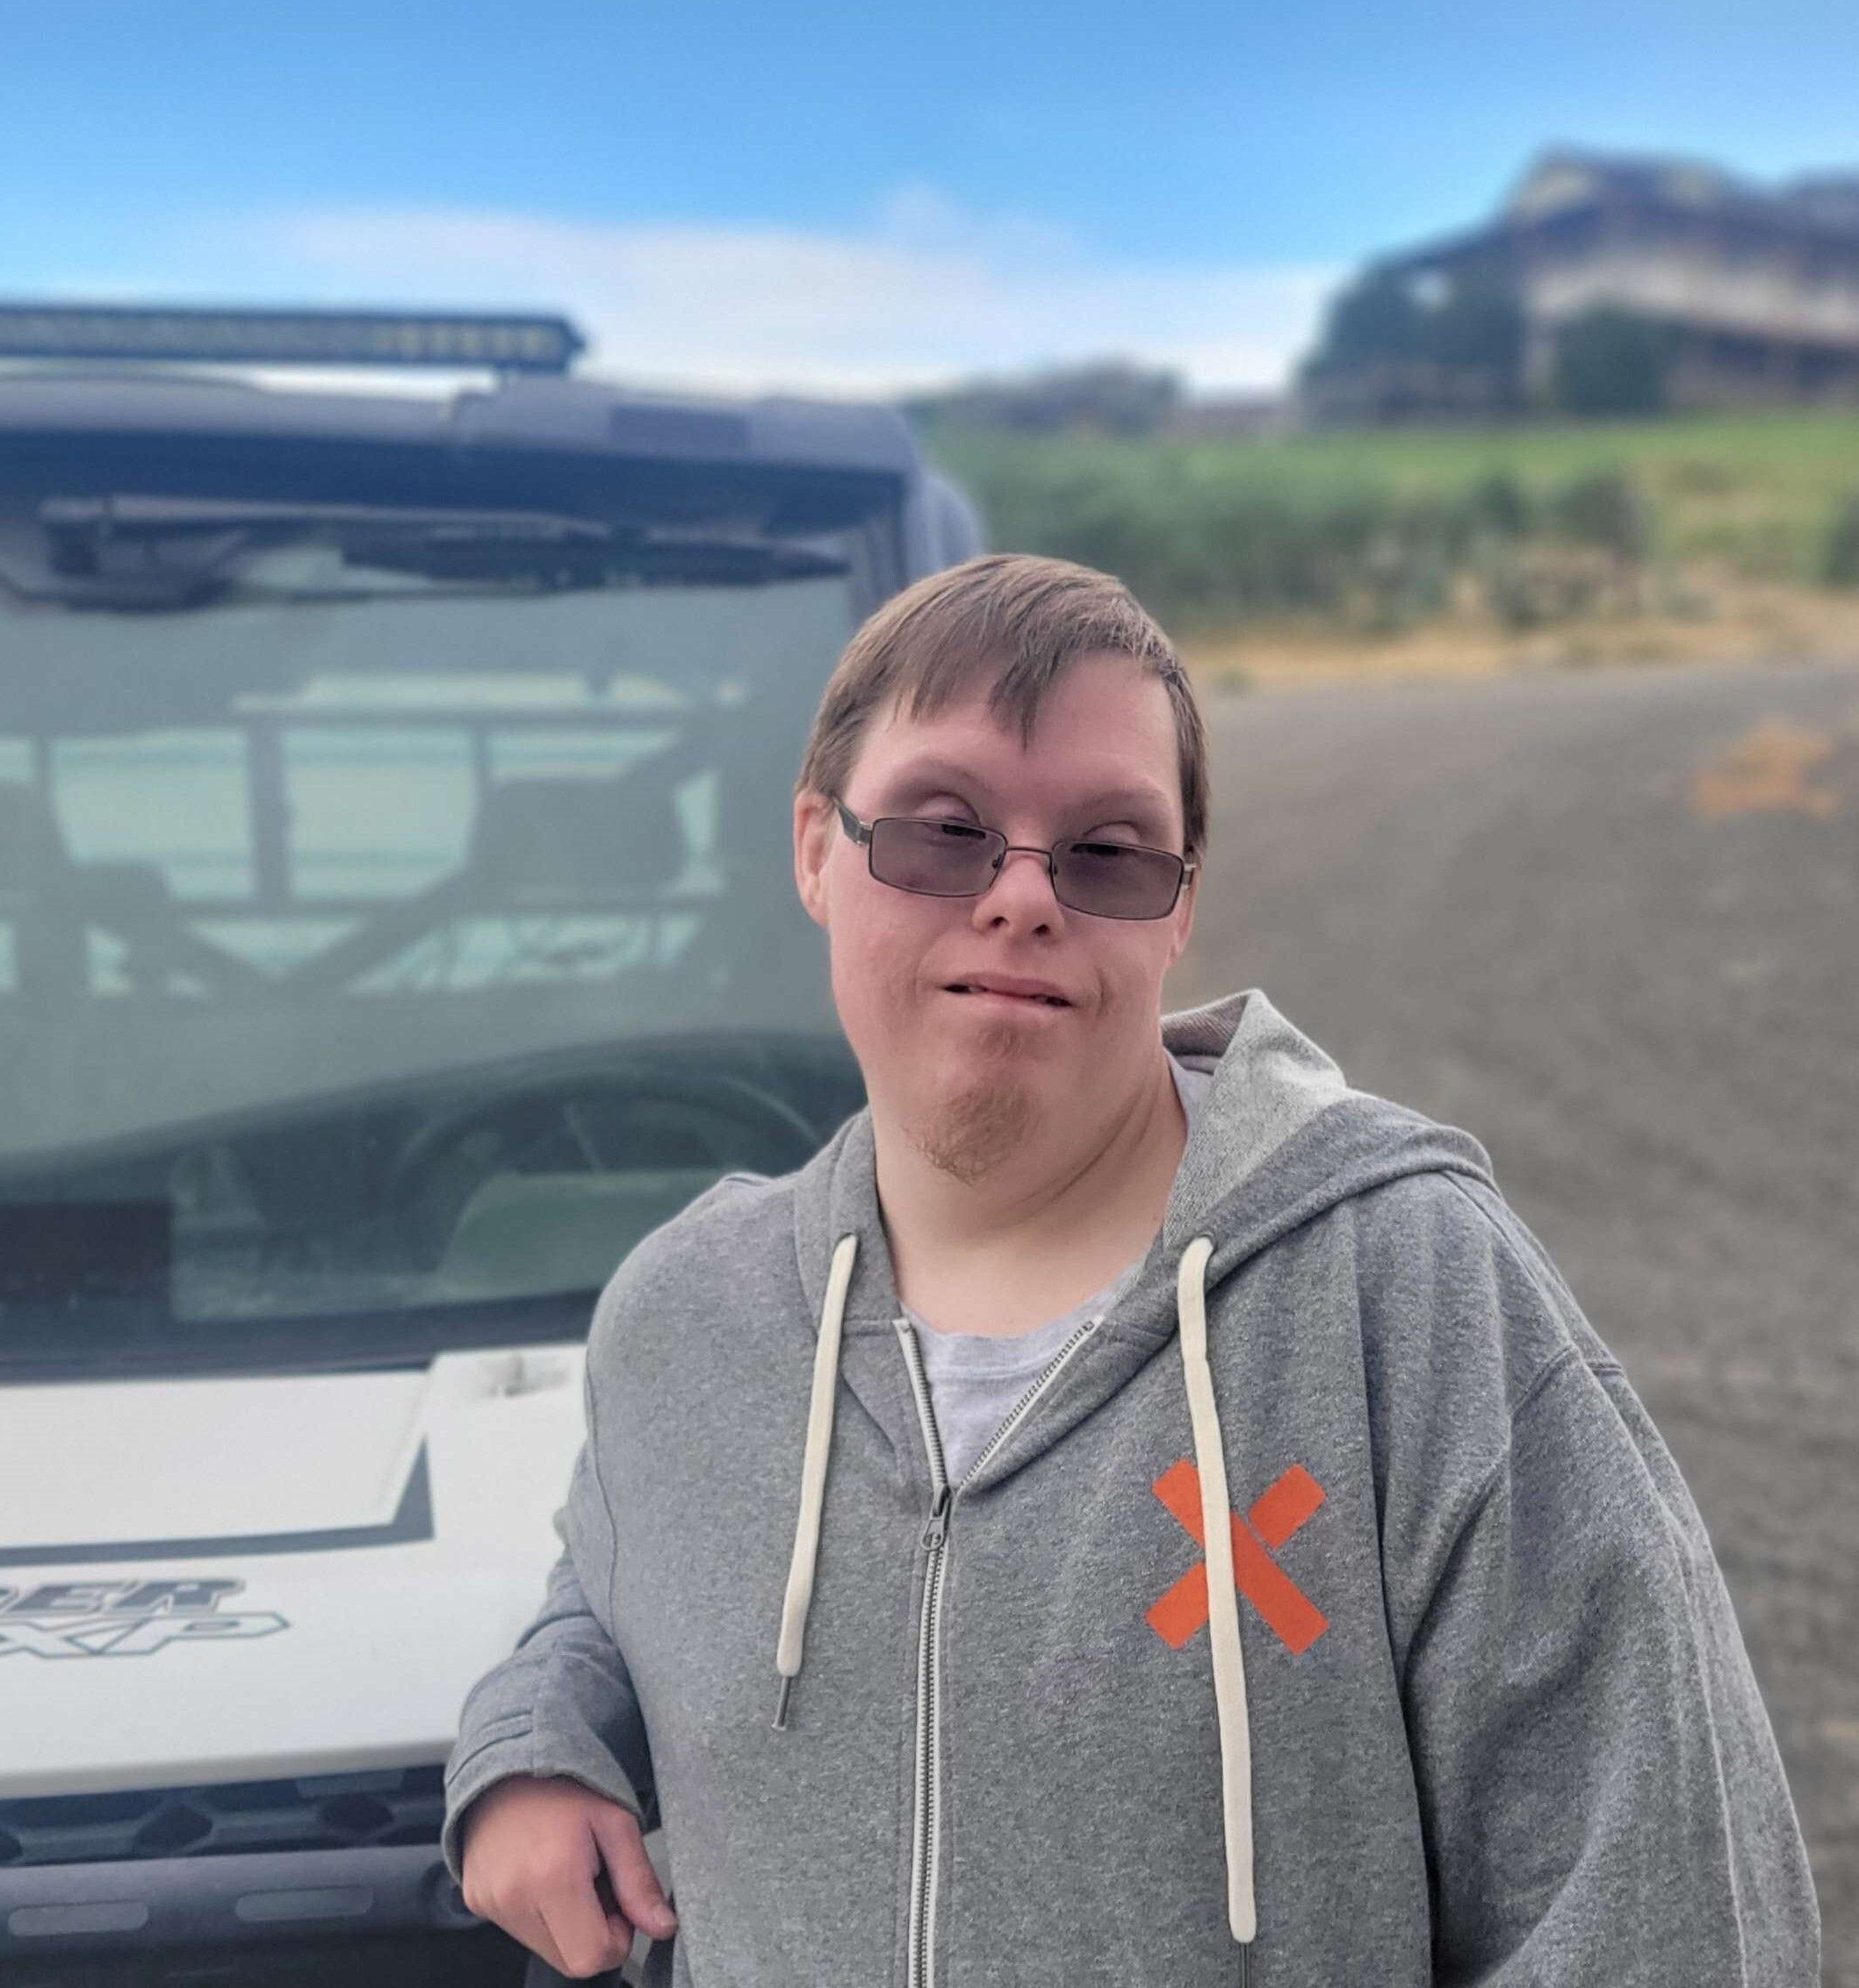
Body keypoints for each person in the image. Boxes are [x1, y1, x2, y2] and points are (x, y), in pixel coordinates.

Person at [442, 553, 1821, 1986]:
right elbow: (611, 1583)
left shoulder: (1404, 1296)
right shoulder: (684, 1319)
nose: (1024, 897)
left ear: (1176, 908)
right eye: (941, 829)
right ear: (813, 849)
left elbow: (1674, 1909)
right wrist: (536, 1733)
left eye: (1105, 851)